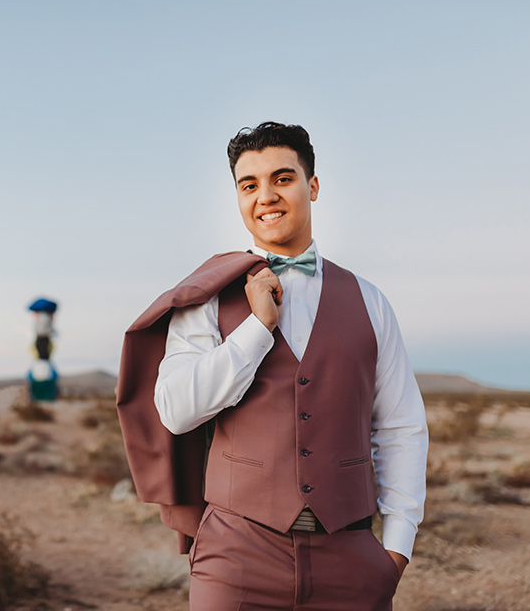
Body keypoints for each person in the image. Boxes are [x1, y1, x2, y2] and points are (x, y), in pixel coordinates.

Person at [116, 122, 428, 610]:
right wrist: (255, 331)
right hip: (236, 554)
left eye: (283, 178)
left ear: (313, 186)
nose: (266, 196)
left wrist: (396, 551)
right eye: (249, 185)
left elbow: (400, 426)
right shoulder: (206, 300)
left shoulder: (370, 301)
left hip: (349, 556)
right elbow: (175, 410)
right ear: (239, 199)